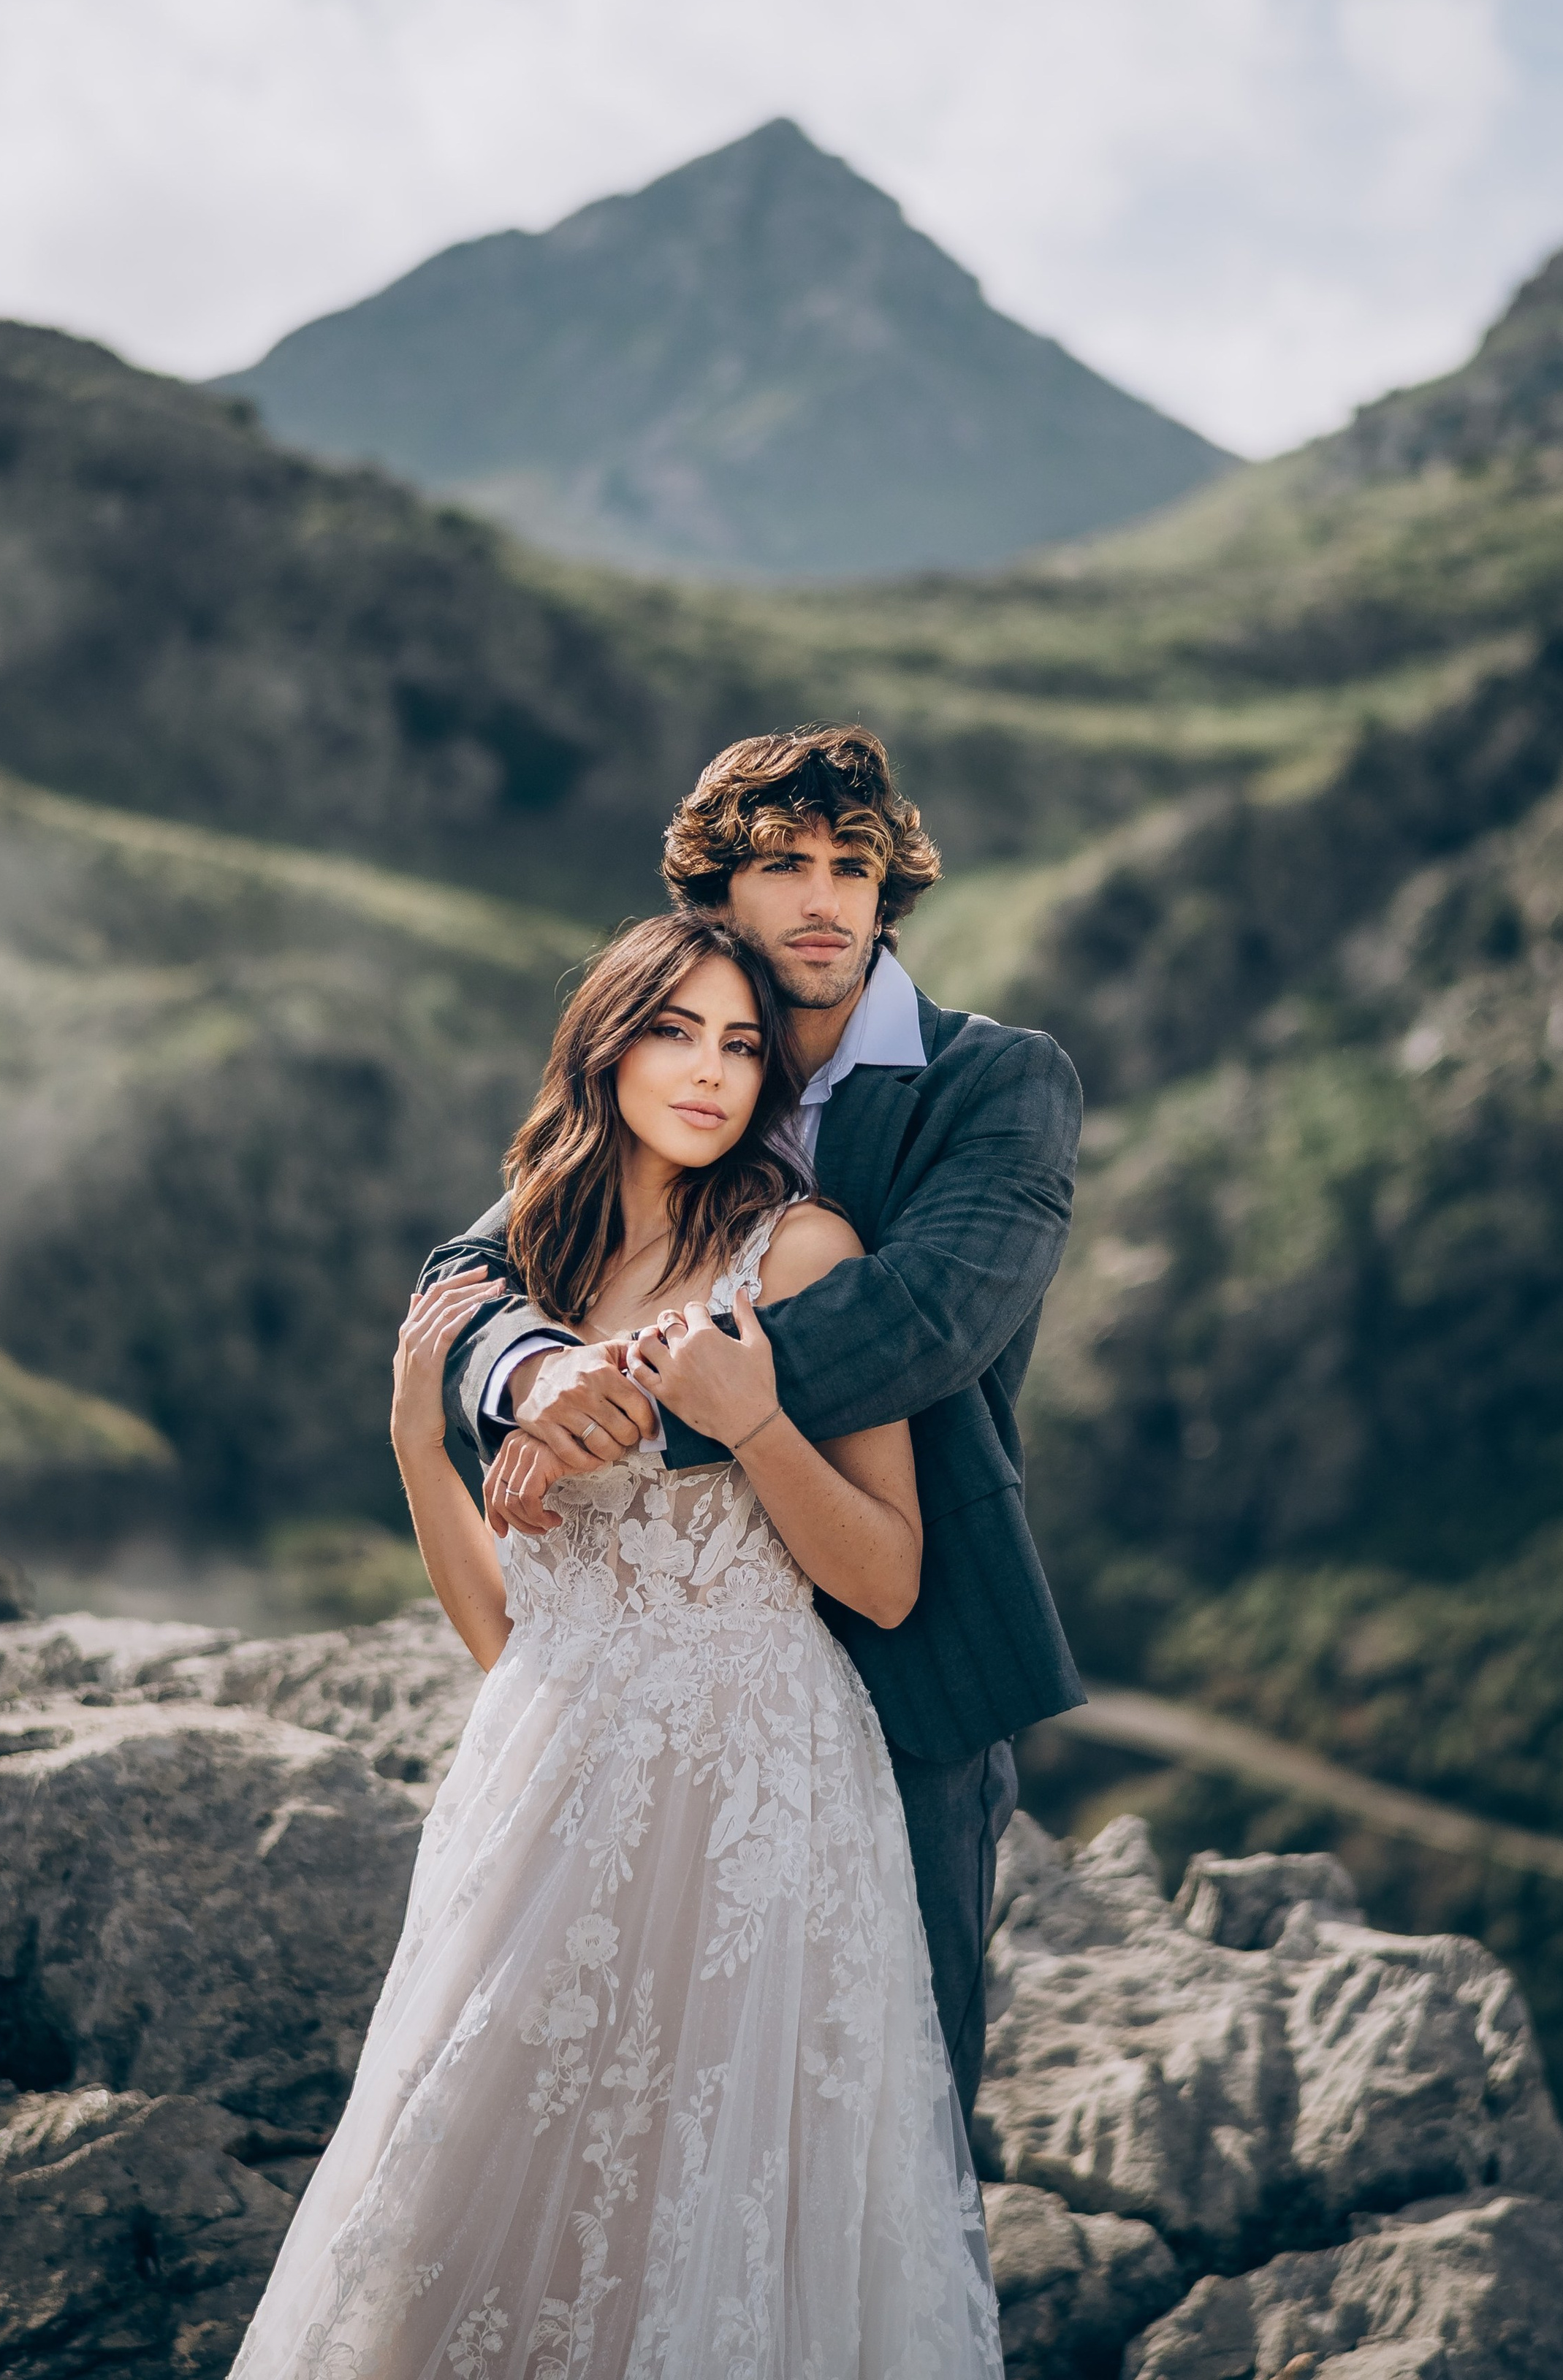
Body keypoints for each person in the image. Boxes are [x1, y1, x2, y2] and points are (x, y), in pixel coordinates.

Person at [232, 912, 1003, 2380]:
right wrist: (416, 1432)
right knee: (471, 2167)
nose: (710, 1073)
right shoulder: (529, 1252)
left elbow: (889, 1577)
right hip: (546, 1776)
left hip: (754, 1786)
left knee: (705, 2193)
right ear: (606, 1041)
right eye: (675, 1031)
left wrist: (753, 1417)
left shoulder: (801, 1251)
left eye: (738, 1044)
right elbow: (508, 1635)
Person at [430, 725, 1085, 2115]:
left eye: (853, 866)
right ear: (712, 895)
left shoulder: (997, 1083)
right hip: (648, 1701)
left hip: (904, 1660)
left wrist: (632, 1420)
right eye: (784, 864)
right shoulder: (678, 1079)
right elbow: (464, 1279)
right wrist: (533, 1373)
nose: (824, 900)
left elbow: (927, 1319)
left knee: (882, 2116)